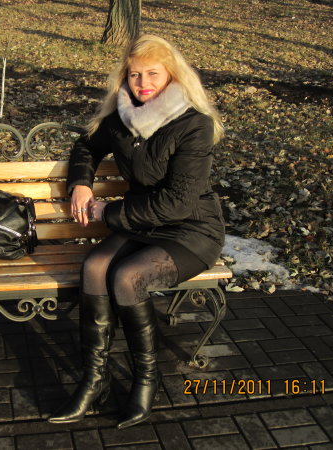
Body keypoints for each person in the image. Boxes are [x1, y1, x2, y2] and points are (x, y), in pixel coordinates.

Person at [48, 34, 225, 429]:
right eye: (134, 75)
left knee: (127, 277)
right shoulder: (123, 118)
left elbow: (179, 203)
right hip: (142, 222)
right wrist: (81, 184)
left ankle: (146, 381)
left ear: (172, 75)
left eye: (152, 74)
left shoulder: (193, 124)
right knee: (95, 266)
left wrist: (109, 211)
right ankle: (95, 379)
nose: (142, 83)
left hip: (191, 230)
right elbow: (86, 145)